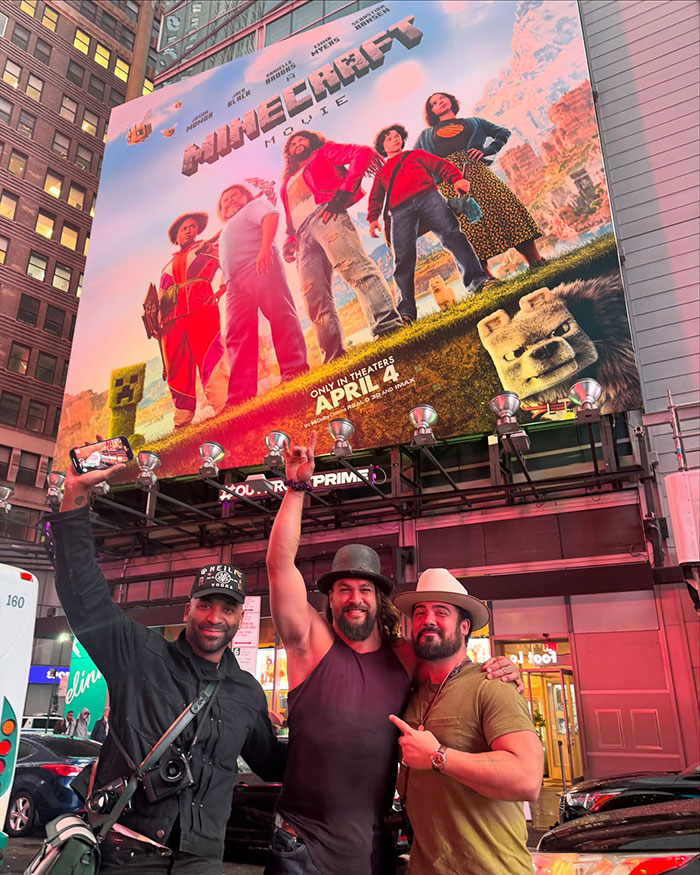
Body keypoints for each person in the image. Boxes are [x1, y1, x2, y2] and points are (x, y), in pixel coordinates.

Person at [264, 432, 522, 875]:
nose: (354, 598)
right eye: (343, 589)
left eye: (365, 589)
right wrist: (295, 488)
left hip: (371, 846)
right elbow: (279, 565)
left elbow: (452, 662)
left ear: (379, 599)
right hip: (301, 846)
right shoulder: (311, 644)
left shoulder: (405, 658)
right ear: (330, 600)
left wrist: (500, 668)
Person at [48, 461, 286, 874]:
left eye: (227, 608)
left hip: (202, 861)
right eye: (205, 604)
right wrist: (76, 497)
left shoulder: (246, 692)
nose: (215, 616)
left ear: (240, 617)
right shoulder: (138, 653)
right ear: (187, 608)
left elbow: (275, 765)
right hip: (126, 854)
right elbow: (84, 595)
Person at [390, 569, 544, 875]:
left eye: (441, 612)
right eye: (419, 612)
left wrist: (438, 756)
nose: (427, 619)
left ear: (464, 626)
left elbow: (528, 779)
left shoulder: (492, 684)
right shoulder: (413, 693)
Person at [280, 131, 403, 362]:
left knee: (355, 269)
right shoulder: (286, 182)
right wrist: (289, 239)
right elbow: (290, 214)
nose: (297, 144)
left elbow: (362, 153)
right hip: (302, 235)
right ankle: (333, 356)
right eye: (292, 144)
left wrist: (340, 198)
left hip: (326, 216)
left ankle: (387, 328)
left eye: (301, 140)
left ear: (312, 141)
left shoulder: (325, 151)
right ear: (288, 154)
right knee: (313, 295)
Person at [367, 123, 491, 323]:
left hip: (429, 198)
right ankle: (406, 312)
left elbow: (441, 166)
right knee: (402, 258)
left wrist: (456, 179)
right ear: (383, 147)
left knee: (453, 236)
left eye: (397, 135)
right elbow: (375, 197)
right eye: (389, 138)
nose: (395, 139)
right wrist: (372, 218)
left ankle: (478, 282)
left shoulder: (415, 155)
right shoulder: (382, 172)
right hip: (399, 212)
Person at [415, 92, 543, 276]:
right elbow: (416, 161)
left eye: (442, 98)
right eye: (434, 103)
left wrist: (488, 149)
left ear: (451, 100)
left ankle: (535, 261)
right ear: (432, 112)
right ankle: (486, 278)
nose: (439, 102)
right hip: (450, 183)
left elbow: (503, 132)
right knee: (469, 228)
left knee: (506, 208)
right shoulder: (426, 136)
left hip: (478, 172)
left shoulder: (474, 122)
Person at [217, 183, 308, 406]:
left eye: (233, 195)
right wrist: (224, 284)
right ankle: (239, 397)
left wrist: (265, 248)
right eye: (224, 200)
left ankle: (294, 370)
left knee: (280, 315)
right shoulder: (226, 229)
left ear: (245, 196)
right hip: (234, 284)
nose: (229, 200)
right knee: (237, 334)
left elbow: (271, 216)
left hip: (259, 265)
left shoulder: (254, 206)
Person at [157, 211, 228, 427]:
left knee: (210, 356)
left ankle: (224, 405)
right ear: (176, 236)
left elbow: (228, 260)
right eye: (185, 228)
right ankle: (182, 422)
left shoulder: (207, 247)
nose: (190, 230)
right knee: (177, 369)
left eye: (193, 227)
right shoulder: (166, 267)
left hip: (202, 311)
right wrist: (157, 321)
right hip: (171, 322)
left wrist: (223, 286)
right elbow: (160, 296)